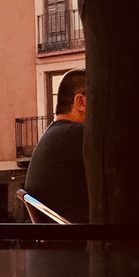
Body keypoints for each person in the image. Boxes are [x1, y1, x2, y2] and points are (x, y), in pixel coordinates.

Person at [24, 69, 88, 222]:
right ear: (81, 102)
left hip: (59, 239)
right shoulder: (77, 135)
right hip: (82, 240)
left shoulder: (56, 135)